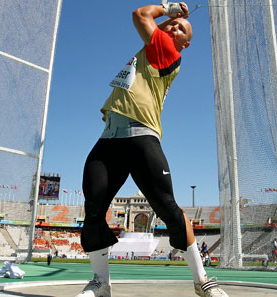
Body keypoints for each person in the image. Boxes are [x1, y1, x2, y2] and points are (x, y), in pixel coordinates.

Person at [76, 3, 228, 297]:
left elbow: (140, 14)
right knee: (93, 209)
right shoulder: (149, 50)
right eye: (172, 23)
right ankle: (100, 283)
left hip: (142, 138)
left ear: (185, 44)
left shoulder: (167, 50)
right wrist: (172, 17)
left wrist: (168, 8)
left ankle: (202, 280)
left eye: (180, 27)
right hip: (109, 139)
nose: (174, 26)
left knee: (168, 209)